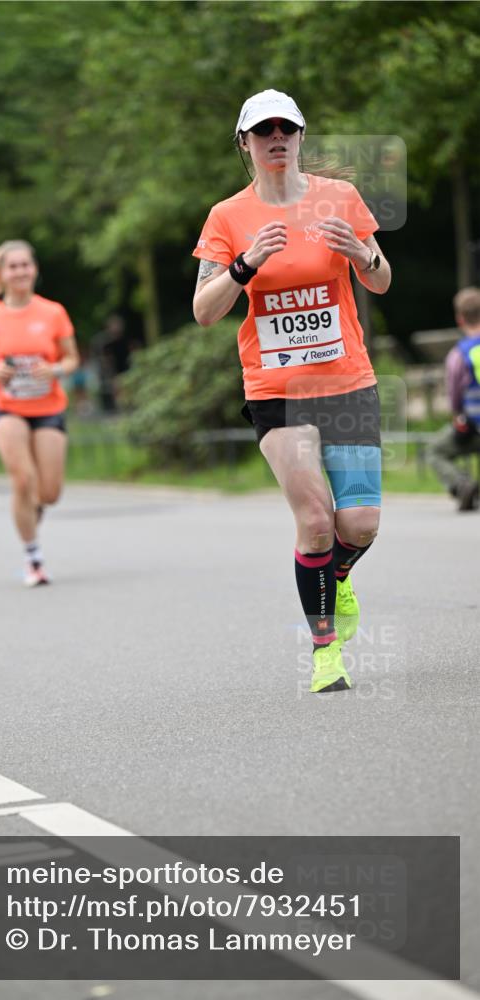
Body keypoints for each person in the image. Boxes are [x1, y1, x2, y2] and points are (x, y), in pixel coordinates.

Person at [192, 89, 391, 693]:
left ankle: (340, 573)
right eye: (263, 130)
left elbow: (381, 280)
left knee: (358, 524)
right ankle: (325, 653)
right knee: (314, 520)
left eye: (287, 127)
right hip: (277, 387)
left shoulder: (342, 199)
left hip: (347, 382)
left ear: (301, 136)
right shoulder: (228, 217)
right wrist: (244, 266)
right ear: (245, 144)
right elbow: (204, 310)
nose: (276, 137)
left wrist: (362, 253)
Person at [0, 240, 80, 586]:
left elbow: (72, 358)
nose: (20, 271)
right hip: (9, 409)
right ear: (1, 274)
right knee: (22, 479)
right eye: (12, 266)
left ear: (34, 269)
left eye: (25, 265)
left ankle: (33, 511)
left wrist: (55, 370)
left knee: (49, 493)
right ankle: (34, 559)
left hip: (49, 408)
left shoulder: (53, 312)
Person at [426, 286, 480, 511]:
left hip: (474, 427)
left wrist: (458, 417)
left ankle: (461, 483)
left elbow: (455, 398)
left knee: (435, 450)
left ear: (459, 319)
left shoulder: (458, 355)